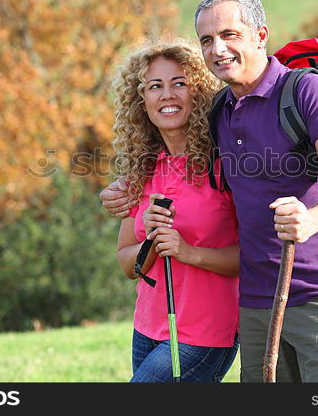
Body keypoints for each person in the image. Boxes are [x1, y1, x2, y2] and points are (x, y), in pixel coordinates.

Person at [101, 0, 318, 383]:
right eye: (207, 40)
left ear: (260, 36)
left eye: (229, 34)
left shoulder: (307, 91)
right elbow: (176, 156)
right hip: (257, 300)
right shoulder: (221, 112)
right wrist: (127, 185)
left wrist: (312, 219)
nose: (218, 48)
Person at [111, 37, 240, 383]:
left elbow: (254, 256)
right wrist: (150, 241)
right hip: (149, 327)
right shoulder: (143, 169)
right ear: (142, 102)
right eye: (155, 86)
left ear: (197, 93)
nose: (167, 94)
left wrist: (188, 252)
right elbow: (127, 263)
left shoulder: (225, 164)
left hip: (206, 332)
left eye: (179, 83)